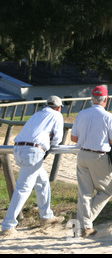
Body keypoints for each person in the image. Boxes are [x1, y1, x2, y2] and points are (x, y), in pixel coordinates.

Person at [1, 96, 65, 237]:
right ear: (59, 107)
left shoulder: (37, 114)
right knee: (23, 189)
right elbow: (58, 139)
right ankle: (7, 225)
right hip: (33, 152)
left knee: (42, 181)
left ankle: (46, 216)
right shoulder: (57, 116)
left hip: (18, 149)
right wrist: (50, 145)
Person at [70, 86, 112, 237]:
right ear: (105, 99)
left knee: (84, 193)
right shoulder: (108, 116)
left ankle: (84, 224)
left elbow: (73, 138)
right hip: (99, 156)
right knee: (105, 191)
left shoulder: (81, 114)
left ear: (92, 98)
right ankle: (84, 222)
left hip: (82, 154)